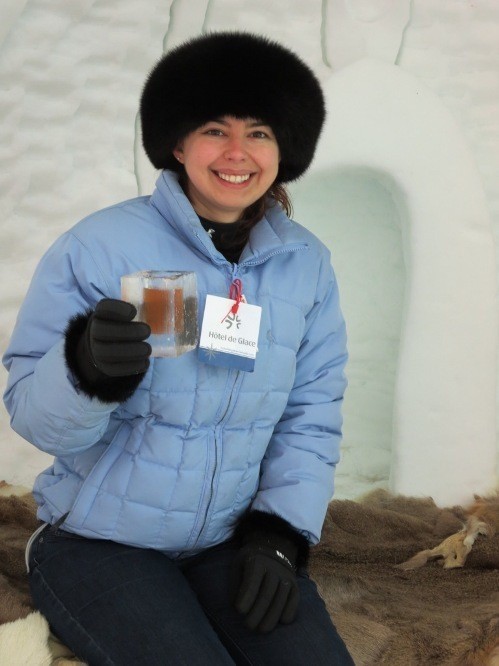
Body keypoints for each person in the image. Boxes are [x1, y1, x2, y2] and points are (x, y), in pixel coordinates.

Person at [3, 32, 352, 665]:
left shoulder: (307, 266)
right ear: (178, 142)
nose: (238, 152)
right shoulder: (98, 247)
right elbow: (33, 416)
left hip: (227, 542)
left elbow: (312, 412)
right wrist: (83, 373)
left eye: (261, 132)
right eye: (216, 129)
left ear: (285, 150)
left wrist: (279, 531)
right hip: (99, 544)